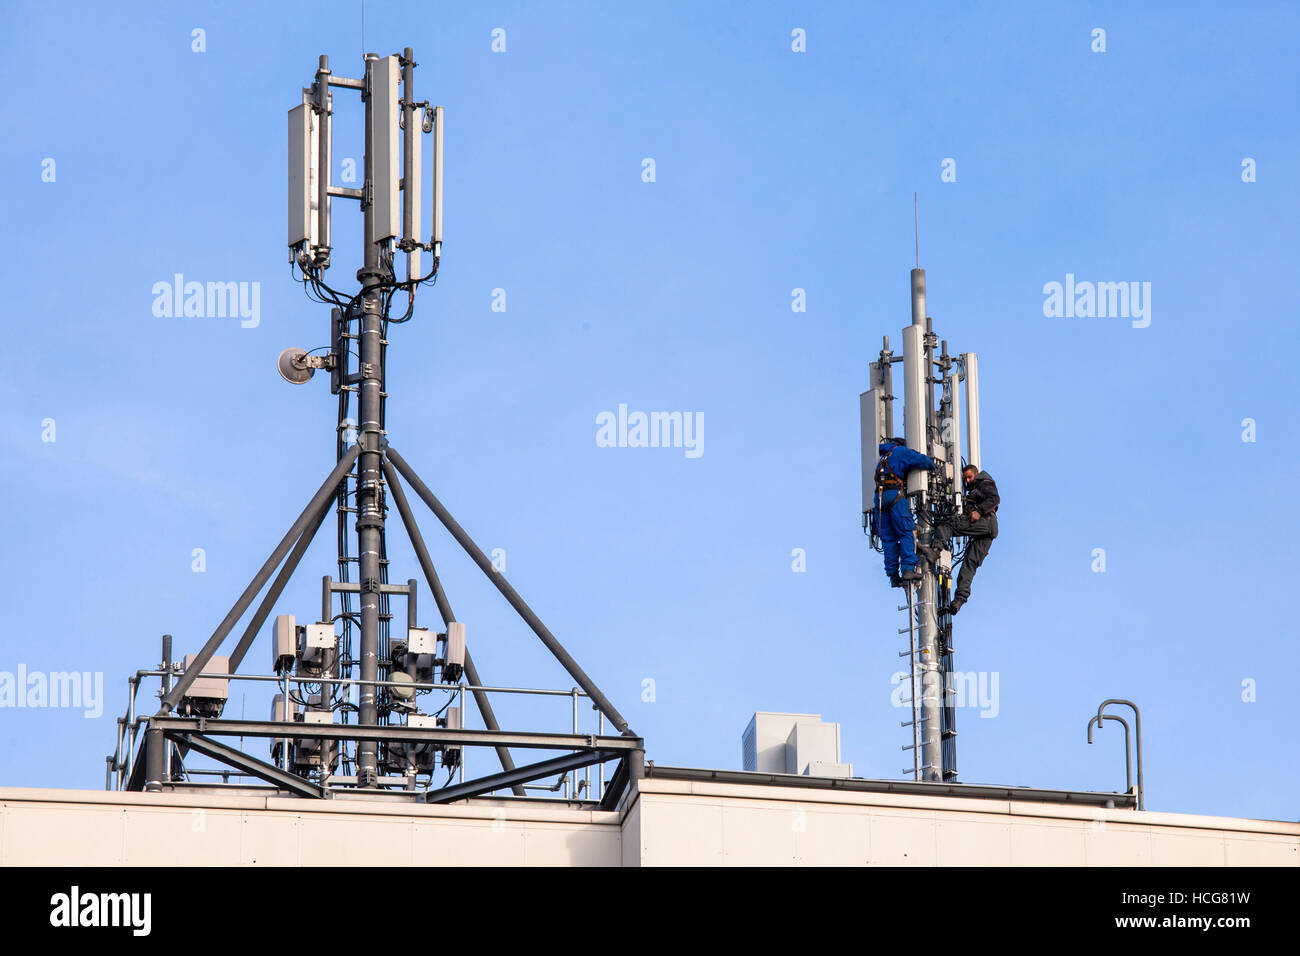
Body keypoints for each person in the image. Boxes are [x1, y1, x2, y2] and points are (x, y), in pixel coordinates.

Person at [928, 464, 999, 615]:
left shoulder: (983, 482)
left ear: (976, 474)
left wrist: (978, 511)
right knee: (969, 564)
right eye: (965, 478)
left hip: (985, 522)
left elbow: (995, 498)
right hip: (989, 531)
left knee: (947, 525)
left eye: (969, 477)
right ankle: (958, 600)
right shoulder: (974, 488)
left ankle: (935, 550)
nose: (967, 481)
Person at [873, 438, 935, 588]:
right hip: (894, 494)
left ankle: (893, 575)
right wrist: (932, 464)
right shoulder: (900, 451)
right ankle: (908, 569)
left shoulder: (882, 456)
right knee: (907, 531)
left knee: (888, 539)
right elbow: (923, 461)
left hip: (879, 499)